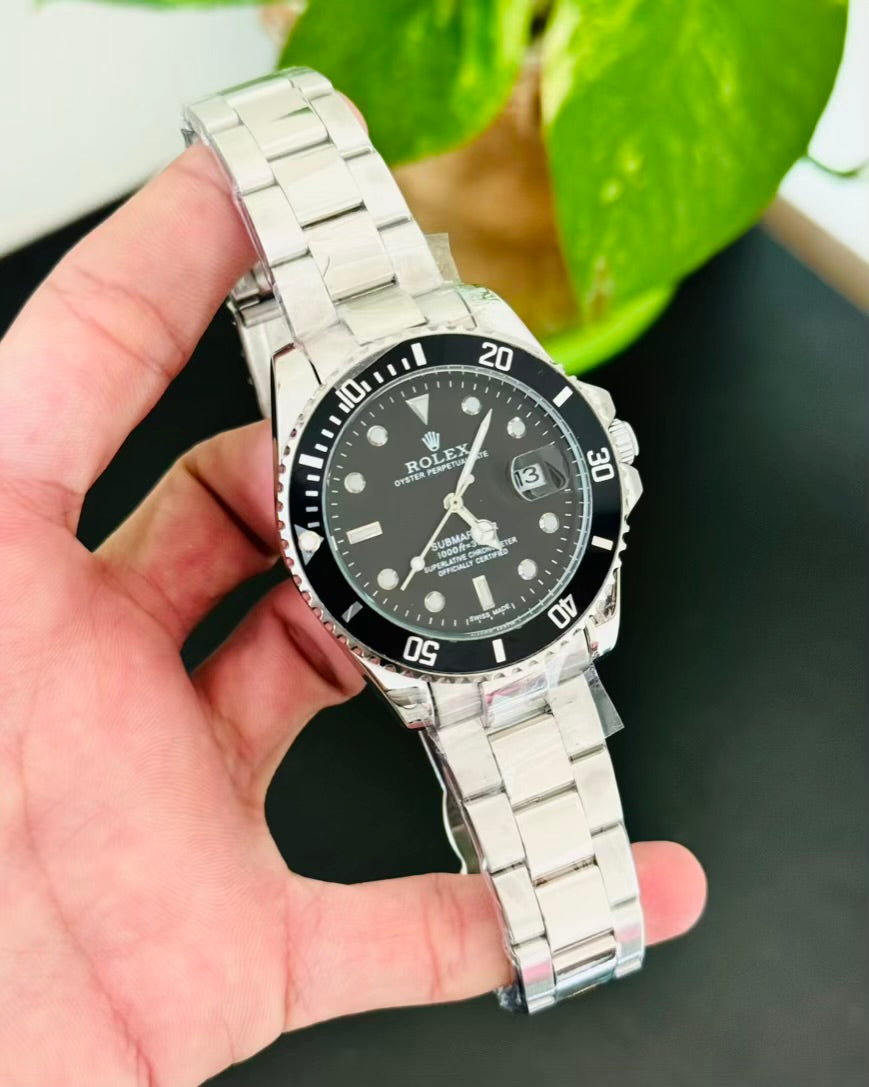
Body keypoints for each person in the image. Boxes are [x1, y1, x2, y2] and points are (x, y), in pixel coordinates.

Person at [0, 142, 706, 1087]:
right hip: (450, 628)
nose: (454, 502)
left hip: (524, 606)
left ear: (599, 448)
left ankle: (565, 918)